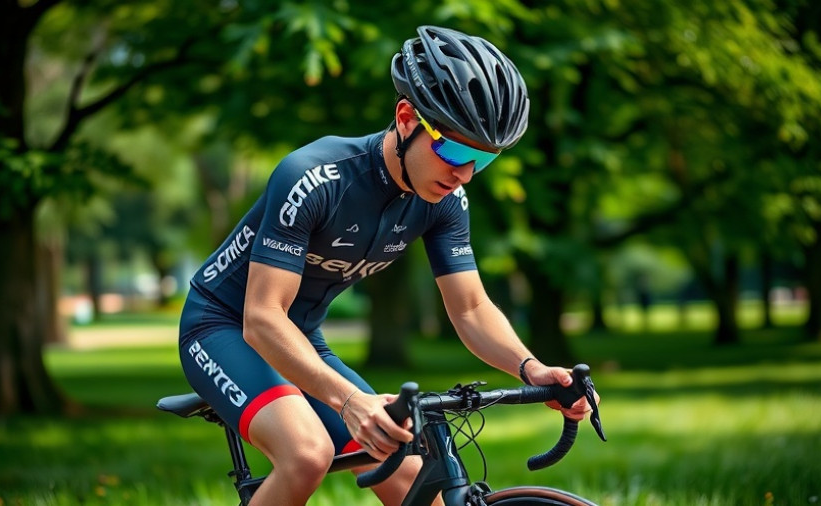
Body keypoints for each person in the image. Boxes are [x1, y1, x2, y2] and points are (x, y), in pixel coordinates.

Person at [178, 25, 597, 506]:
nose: (463, 174)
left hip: (302, 336)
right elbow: (263, 317)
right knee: (308, 454)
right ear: (405, 118)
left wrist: (531, 368)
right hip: (224, 327)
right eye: (454, 150)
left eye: (482, 162)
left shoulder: (445, 201)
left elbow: (471, 309)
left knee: (413, 478)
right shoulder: (313, 178)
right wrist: (350, 401)